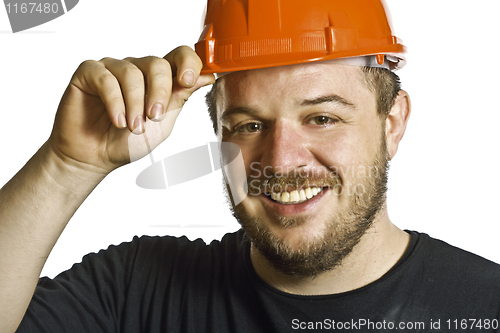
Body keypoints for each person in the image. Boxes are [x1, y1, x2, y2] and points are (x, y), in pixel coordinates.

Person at [1, 0, 499, 332]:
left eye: (322, 117)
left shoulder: (486, 308)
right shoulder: (136, 290)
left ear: (392, 123)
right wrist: (66, 165)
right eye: (248, 126)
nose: (281, 161)